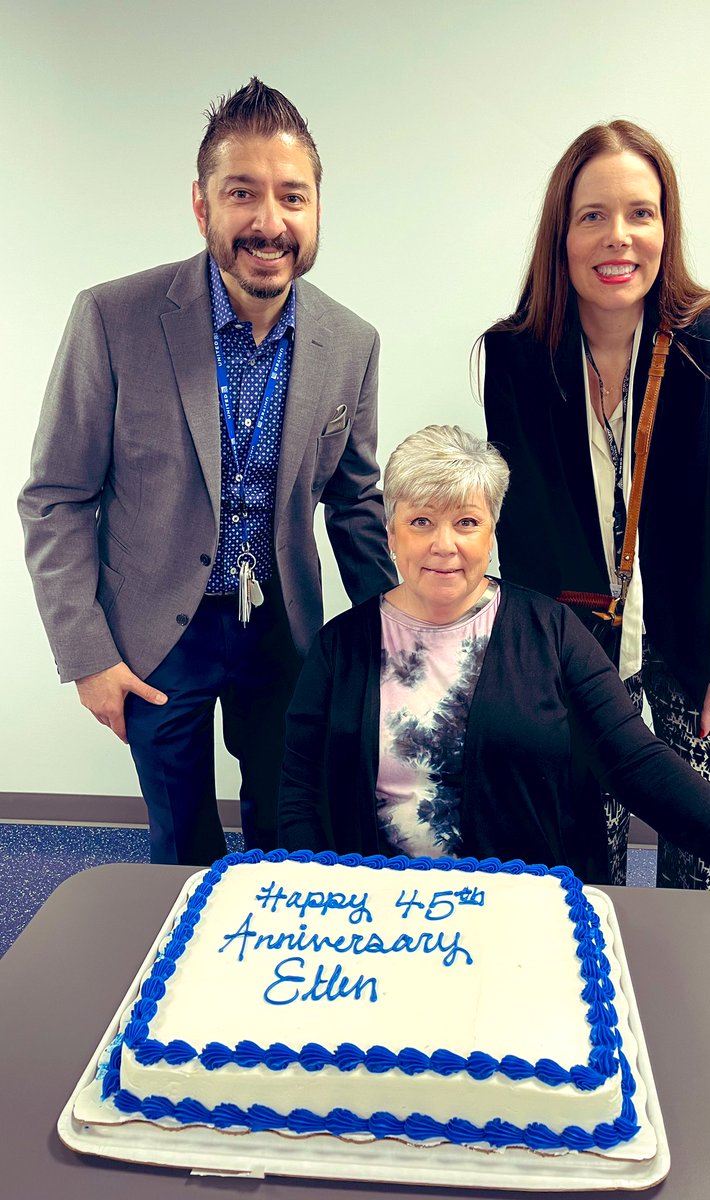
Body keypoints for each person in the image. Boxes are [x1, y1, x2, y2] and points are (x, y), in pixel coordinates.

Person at [18, 78, 396, 866]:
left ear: (317, 207)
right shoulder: (113, 319)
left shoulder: (352, 342)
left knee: (289, 831)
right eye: (241, 194)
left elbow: (354, 502)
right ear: (202, 207)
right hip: (156, 637)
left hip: (284, 633)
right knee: (179, 845)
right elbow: (56, 498)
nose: (269, 221)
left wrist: (395, 641)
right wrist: (88, 657)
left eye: (292, 196)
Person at [278, 425, 710, 937]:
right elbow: (300, 790)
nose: (445, 545)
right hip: (375, 917)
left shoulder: (551, 632)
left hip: (517, 915)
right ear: (391, 532)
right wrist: (318, 897)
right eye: (421, 522)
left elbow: (633, 757)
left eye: (466, 522)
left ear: (491, 531)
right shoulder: (341, 645)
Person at [482, 121, 710, 890]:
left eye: (641, 213)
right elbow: (527, 536)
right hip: (580, 651)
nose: (619, 238)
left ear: (665, 225)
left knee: (706, 862)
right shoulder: (516, 356)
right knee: (585, 863)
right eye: (593, 216)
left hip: (705, 640)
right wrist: (535, 673)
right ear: (563, 231)